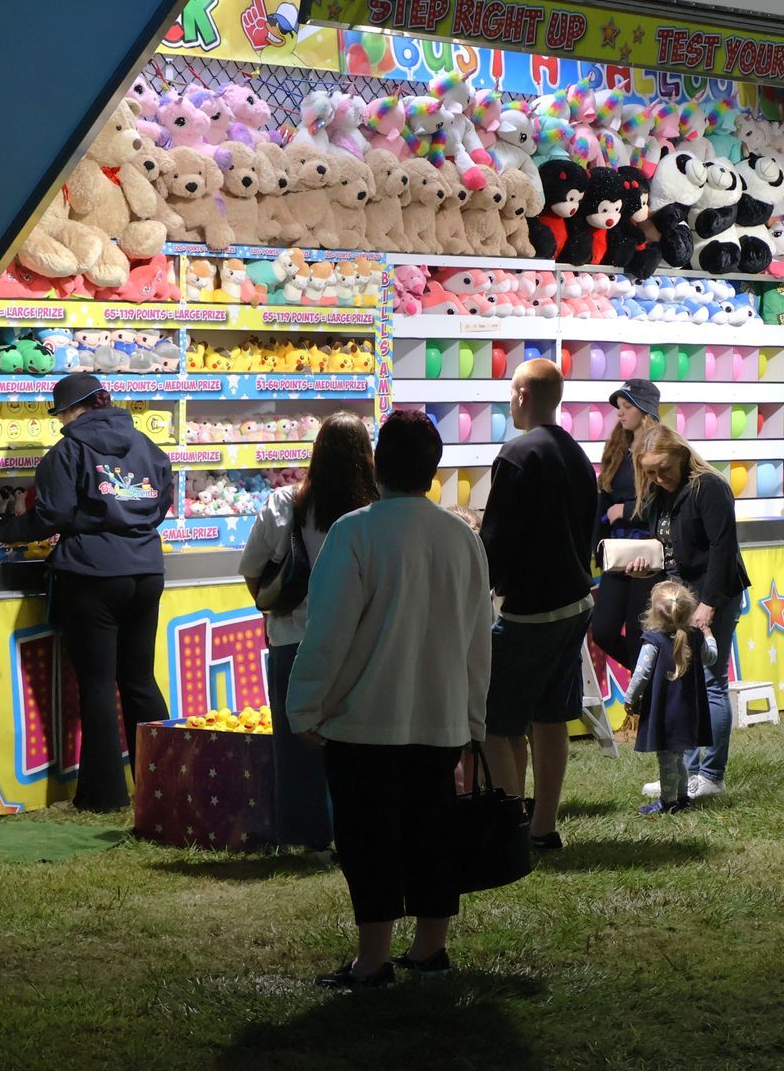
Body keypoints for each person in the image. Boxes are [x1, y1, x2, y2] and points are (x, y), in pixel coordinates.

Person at [287, 411, 493, 987]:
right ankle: (431, 948)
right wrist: (473, 718)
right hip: (442, 718)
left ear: (379, 463)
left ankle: (373, 959)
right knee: (433, 834)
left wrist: (304, 707)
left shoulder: (355, 532)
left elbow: (327, 633)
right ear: (433, 467)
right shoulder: (462, 539)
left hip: (363, 722)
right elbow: (480, 640)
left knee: (368, 840)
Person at [0, 374, 172, 812]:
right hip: (147, 572)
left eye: (60, 415)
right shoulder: (148, 447)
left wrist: (8, 530)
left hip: (92, 575)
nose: (60, 424)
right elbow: (161, 502)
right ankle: (167, 781)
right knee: (139, 679)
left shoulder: (68, 451)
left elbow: (50, 514)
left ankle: (104, 795)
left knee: (97, 685)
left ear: (73, 411)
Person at [239, 412, 378, 850]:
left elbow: (252, 572)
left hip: (293, 636)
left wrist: (274, 609)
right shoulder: (373, 511)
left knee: (295, 740)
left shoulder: (285, 503)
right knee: (356, 739)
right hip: (359, 640)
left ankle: (304, 836)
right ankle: (354, 829)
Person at [479, 358, 598, 850]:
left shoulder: (517, 455)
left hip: (530, 609)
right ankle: (542, 826)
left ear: (523, 395)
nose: (509, 401)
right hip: (575, 600)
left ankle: (508, 829)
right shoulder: (576, 454)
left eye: (511, 392)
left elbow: (496, 540)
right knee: (551, 716)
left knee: (492, 721)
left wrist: (485, 584)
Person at [631, 424, 751, 798]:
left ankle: (711, 776)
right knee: (686, 684)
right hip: (681, 599)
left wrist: (709, 606)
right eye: (649, 471)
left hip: (714, 595)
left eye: (663, 468)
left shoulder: (710, 487)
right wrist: (646, 565)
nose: (657, 477)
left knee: (713, 683)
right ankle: (685, 773)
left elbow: (723, 549)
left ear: (682, 455)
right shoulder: (656, 493)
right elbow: (670, 548)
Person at [625, 581, 717, 814]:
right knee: (679, 758)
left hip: (665, 712)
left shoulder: (653, 640)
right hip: (688, 711)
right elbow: (712, 657)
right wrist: (708, 633)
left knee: (667, 759)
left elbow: (641, 675)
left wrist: (630, 698)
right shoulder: (695, 636)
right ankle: (682, 797)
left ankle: (668, 802)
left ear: (654, 612)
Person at [591, 380, 663, 670]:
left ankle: (642, 702)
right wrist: (595, 545)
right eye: (619, 408)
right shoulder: (617, 448)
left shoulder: (662, 447)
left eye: (627, 407)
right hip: (616, 552)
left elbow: (665, 501)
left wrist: (629, 510)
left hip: (647, 553)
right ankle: (644, 678)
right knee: (604, 631)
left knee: (639, 633)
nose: (620, 414)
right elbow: (603, 498)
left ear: (645, 410)